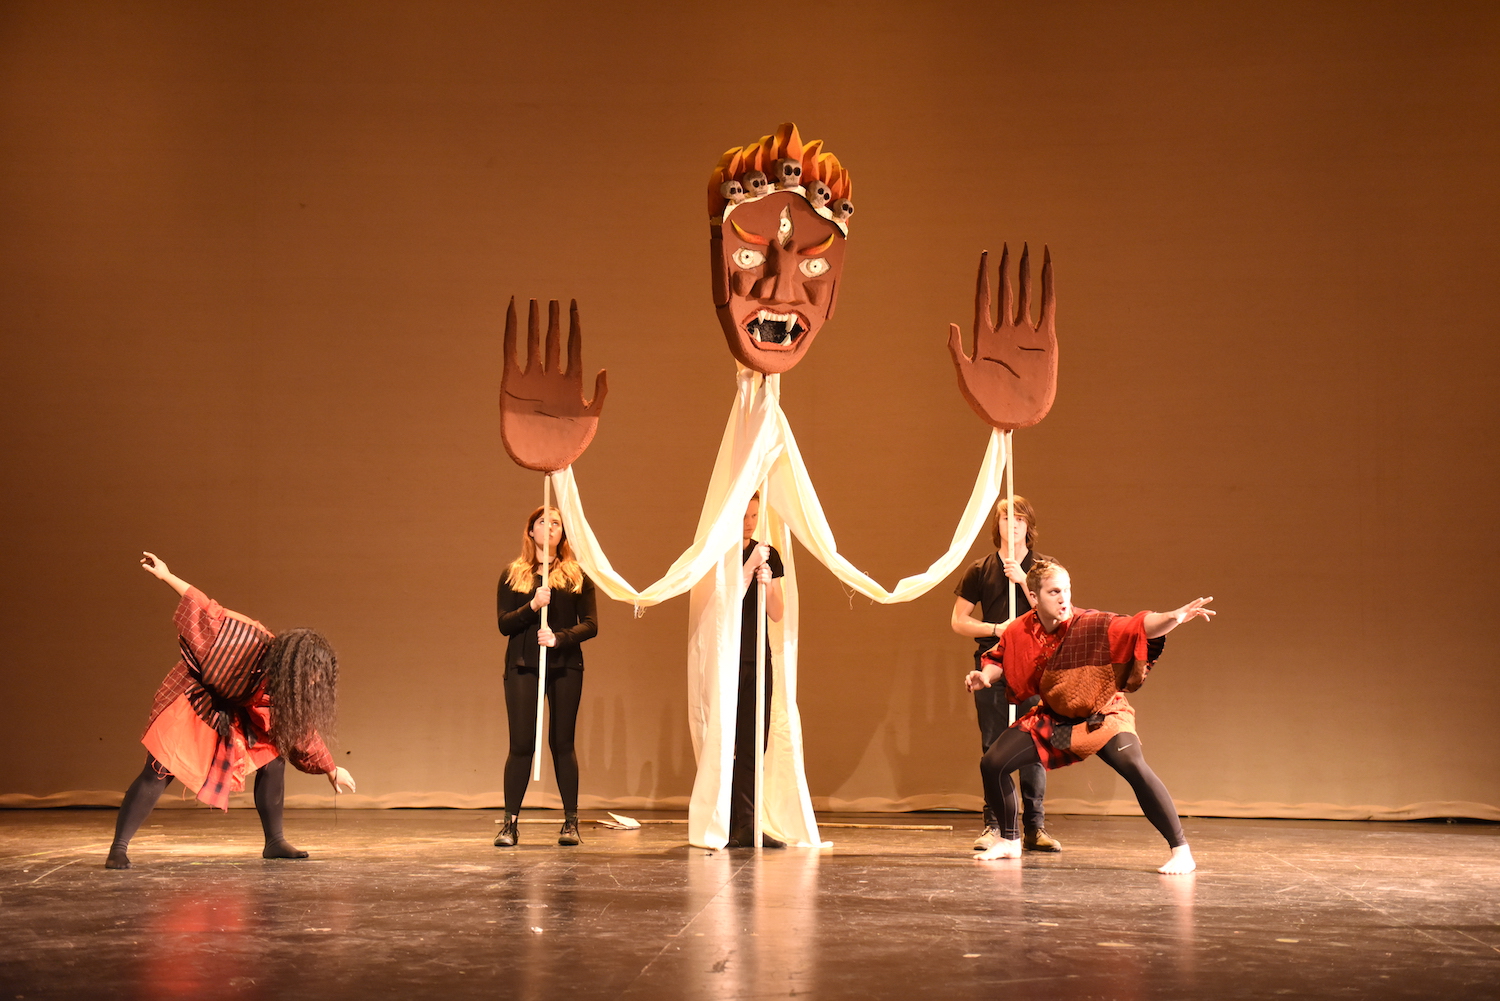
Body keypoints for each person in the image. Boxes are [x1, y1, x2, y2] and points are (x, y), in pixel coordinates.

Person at [105, 553, 355, 869]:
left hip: (238, 712)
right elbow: (207, 608)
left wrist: (332, 770)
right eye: (309, 676)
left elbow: (301, 732)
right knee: (159, 769)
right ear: (294, 664)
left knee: (274, 753)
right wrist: (166, 575)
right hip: (197, 699)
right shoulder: (248, 639)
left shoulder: (285, 691)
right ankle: (119, 847)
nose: (310, 684)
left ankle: (275, 841)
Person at [965, 560, 1214, 874]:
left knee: (1133, 766)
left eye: (1066, 590)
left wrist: (1174, 617)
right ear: (1033, 596)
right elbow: (1001, 656)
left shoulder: (1091, 624)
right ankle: (1010, 841)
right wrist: (985, 676)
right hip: (1055, 720)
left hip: (1103, 716)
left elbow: (1141, 625)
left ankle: (1181, 851)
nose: (1063, 598)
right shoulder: (1020, 630)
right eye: (1054, 592)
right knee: (993, 763)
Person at [951, 495, 1059, 853]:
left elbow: (1060, 616)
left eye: (1019, 520)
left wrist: (1027, 584)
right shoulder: (980, 569)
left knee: (1034, 746)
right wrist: (999, 630)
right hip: (993, 666)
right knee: (994, 746)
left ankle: (1034, 826)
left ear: (1029, 527)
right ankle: (995, 825)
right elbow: (958, 621)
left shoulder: (1044, 569)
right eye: (1004, 520)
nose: (1011, 526)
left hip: (1035, 667)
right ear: (995, 526)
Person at [495, 506, 598, 848]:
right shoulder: (513, 574)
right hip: (523, 665)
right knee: (521, 744)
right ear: (531, 531)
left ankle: (571, 823)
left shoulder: (576, 574)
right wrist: (533, 607)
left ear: (563, 534)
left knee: (562, 743)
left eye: (556, 523)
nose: (550, 528)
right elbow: (504, 624)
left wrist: (559, 638)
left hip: (565, 665)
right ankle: (509, 824)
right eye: (543, 522)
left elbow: (591, 624)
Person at [728, 492, 787, 848]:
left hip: (756, 654)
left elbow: (777, 612)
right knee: (728, 742)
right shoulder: (723, 552)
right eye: (744, 515)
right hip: (727, 657)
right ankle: (726, 820)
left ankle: (748, 823)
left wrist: (766, 582)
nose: (749, 522)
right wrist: (748, 570)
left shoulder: (768, 554)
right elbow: (723, 604)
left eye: (754, 515)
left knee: (754, 741)